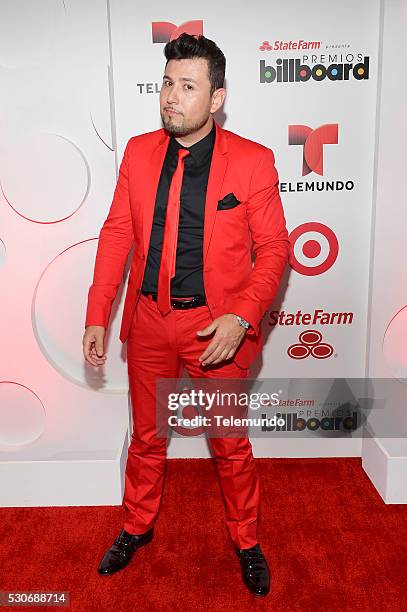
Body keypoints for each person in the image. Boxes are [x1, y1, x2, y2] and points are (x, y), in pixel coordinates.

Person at [83, 32, 290, 597]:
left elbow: (275, 250)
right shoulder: (138, 152)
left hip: (214, 331)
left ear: (216, 98)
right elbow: (117, 233)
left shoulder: (252, 161)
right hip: (149, 323)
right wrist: (98, 310)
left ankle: (246, 540)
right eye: (168, 84)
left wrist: (242, 317)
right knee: (147, 438)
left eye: (188, 87)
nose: (171, 97)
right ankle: (135, 527)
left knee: (229, 443)